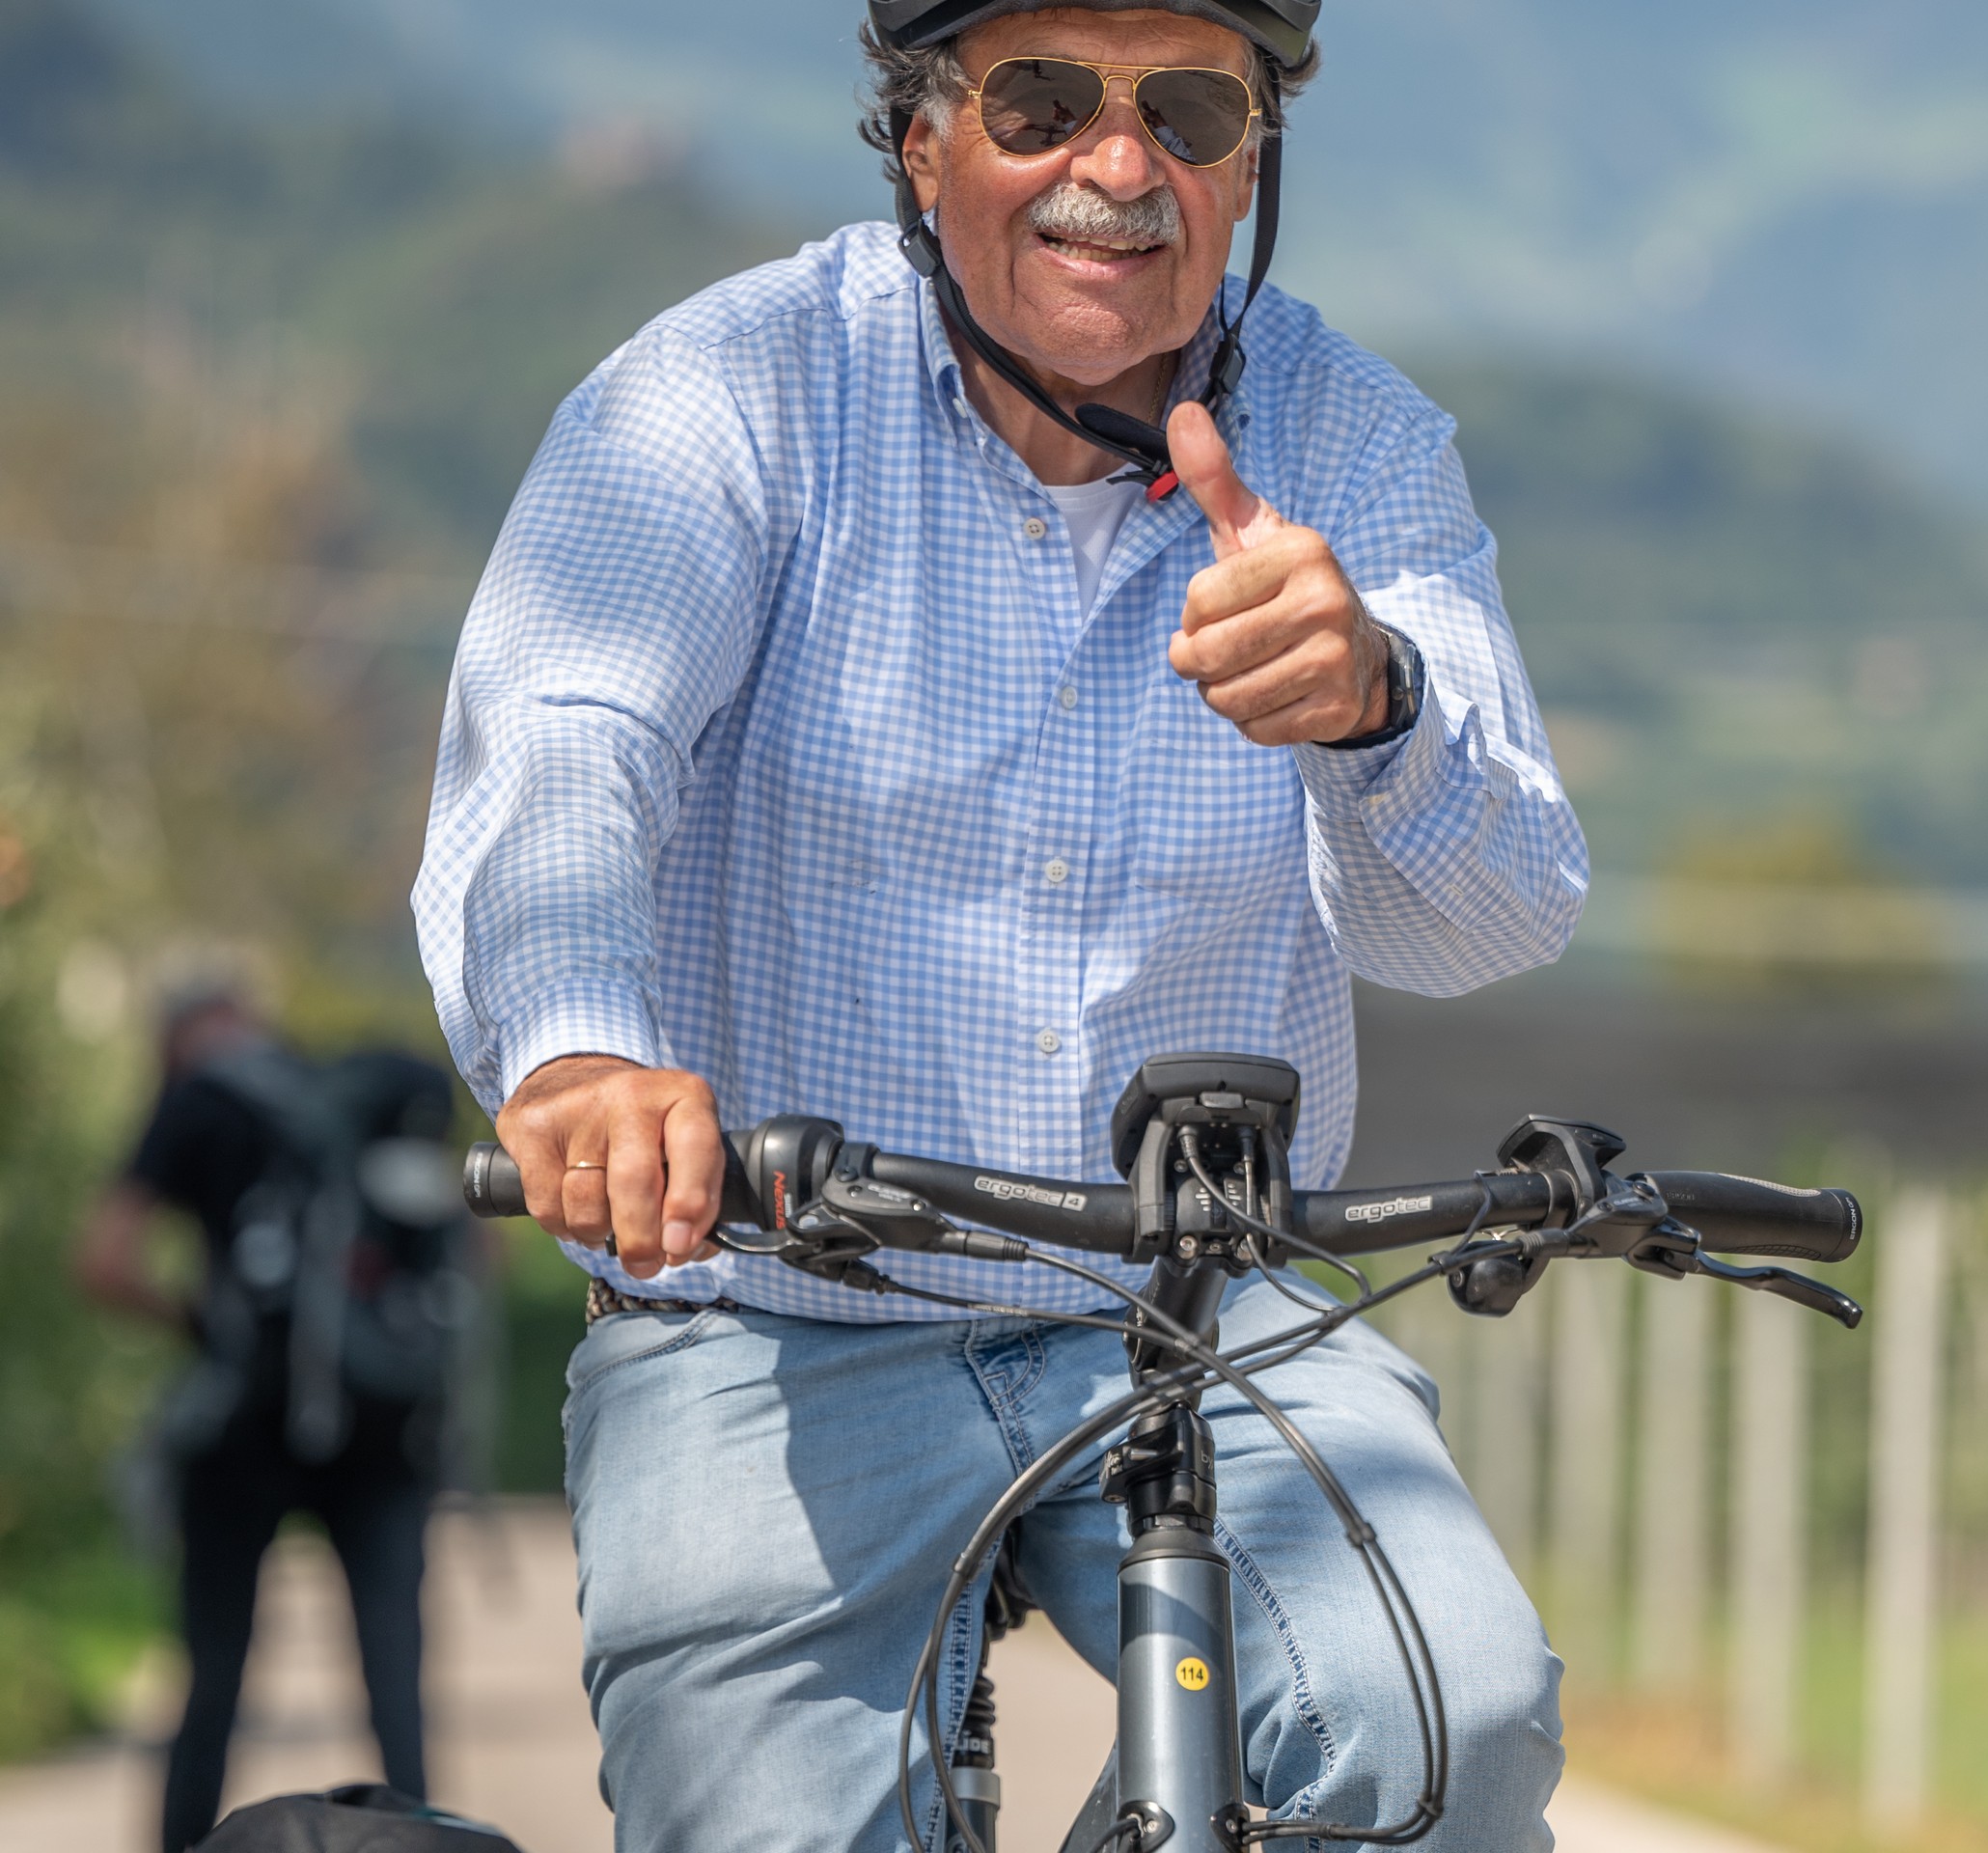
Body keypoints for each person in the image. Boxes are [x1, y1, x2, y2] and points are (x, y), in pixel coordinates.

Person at [413, 3, 1588, 1846]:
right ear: (921, 141)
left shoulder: (1352, 441)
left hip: (1200, 1310)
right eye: (1044, 101)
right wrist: (581, 1043)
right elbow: (566, 744)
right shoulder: (727, 392)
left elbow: (1497, 917)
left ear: (1250, 160)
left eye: (1187, 109)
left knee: (1448, 1722)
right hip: (775, 1301)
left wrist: (1377, 702)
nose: (1119, 170)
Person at [77, 985, 456, 1853]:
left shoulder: (197, 1105)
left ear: (173, 1045)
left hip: (242, 1430)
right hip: (384, 1430)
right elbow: (463, 1252)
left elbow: (103, 1259)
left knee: (212, 1681)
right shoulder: (362, 1099)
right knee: (397, 1685)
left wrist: (207, 1324)